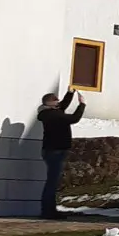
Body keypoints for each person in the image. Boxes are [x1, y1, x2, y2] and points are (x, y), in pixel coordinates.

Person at [35, 90, 86, 218]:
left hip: (54, 150)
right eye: (56, 100)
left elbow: (63, 105)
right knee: (52, 182)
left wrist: (70, 93)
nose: (58, 102)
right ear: (50, 104)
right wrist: (82, 105)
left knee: (52, 181)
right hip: (55, 151)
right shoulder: (53, 115)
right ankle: (48, 211)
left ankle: (50, 210)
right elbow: (74, 118)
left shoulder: (48, 113)